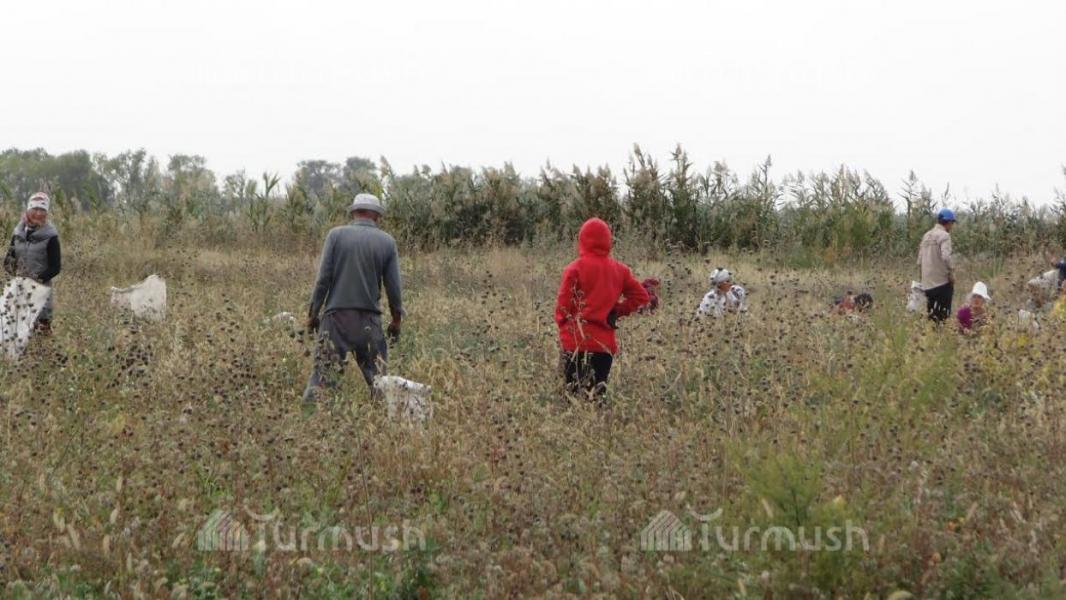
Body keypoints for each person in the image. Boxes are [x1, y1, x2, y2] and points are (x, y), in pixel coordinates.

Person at [303, 194, 403, 402]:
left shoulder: (335, 236)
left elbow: (322, 280)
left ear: (354, 212)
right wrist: (396, 320)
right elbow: (394, 288)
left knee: (321, 379)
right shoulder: (387, 242)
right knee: (380, 381)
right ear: (377, 215)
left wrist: (312, 315)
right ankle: (384, 417)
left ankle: (311, 415)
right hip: (369, 322)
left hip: (335, 320)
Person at [555, 218, 650, 399]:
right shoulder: (620, 270)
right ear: (608, 241)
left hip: (575, 343)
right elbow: (641, 297)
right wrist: (617, 311)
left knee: (572, 400)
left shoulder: (574, 269)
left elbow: (562, 308)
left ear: (581, 240)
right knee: (597, 400)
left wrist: (564, 327)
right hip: (604, 347)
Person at [3, 192, 61, 335]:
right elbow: (8, 261)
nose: (38, 213)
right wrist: (17, 279)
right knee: (16, 332)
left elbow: (55, 267)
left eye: (42, 210)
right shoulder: (18, 233)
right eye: (35, 209)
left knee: (41, 333)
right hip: (19, 291)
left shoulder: (51, 236)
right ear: (28, 210)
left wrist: (34, 280)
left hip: (41, 291)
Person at [918, 208, 957, 323]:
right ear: (949, 222)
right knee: (943, 318)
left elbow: (919, 260)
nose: (952, 226)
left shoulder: (926, 236)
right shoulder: (944, 236)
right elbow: (946, 256)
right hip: (942, 283)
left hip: (927, 285)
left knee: (931, 317)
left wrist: (922, 280)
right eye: (952, 223)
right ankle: (941, 333)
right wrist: (951, 272)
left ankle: (932, 334)